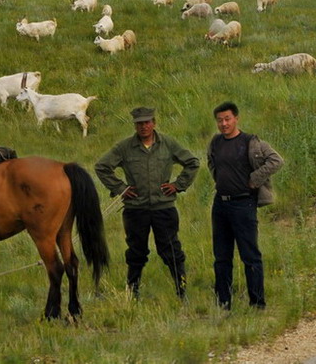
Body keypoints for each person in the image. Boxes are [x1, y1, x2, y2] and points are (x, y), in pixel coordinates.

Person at [95, 106, 200, 299]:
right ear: (135, 125)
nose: (144, 127)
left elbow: (192, 162)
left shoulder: (167, 143)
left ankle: (181, 291)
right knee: (136, 252)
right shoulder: (125, 147)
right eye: (139, 123)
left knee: (171, 250)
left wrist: (178, 185)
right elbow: (102, 167)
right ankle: (132, 292)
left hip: (164, 208)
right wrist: (121, 188)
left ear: (154, 123)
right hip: (136, 210)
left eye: (147, 122)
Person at [208, 101, 283, 311]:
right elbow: (211, 163)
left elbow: (276, 160)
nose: (223, 124)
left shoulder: (250, 142)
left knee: (250, 256)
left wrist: (255, 179)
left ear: (236, 118)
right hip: (220, 205)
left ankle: (257, 303)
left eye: (227, 119)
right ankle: (223, 303)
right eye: (220, 120)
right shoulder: (215, 142)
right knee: (221, 257)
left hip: (243, 204)